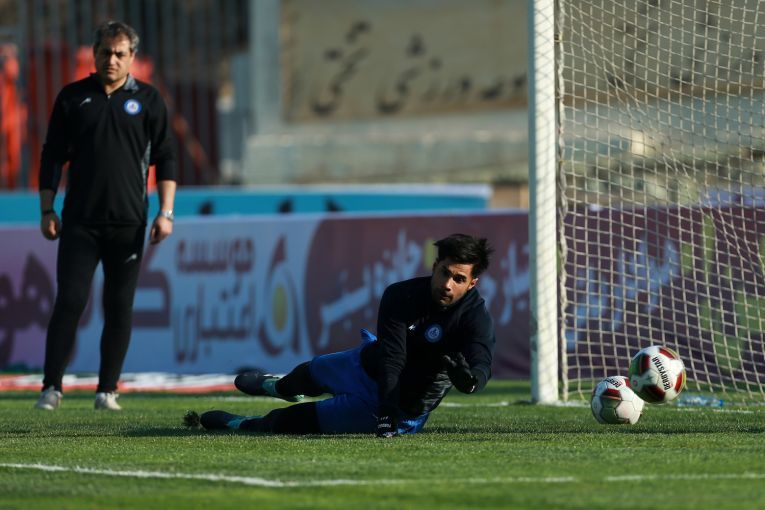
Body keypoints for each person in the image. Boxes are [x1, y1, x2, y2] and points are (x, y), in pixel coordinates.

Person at [188, 233, 495, 437]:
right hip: (364, 366)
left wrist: (470, 382)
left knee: (290, 422)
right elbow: (393, 357)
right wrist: (387, 410)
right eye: (444, 273)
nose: (447, 284)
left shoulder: (475, 318)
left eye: (458, 279)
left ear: (472, 283)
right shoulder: (401, 295)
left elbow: (481, 361)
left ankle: (241, 424)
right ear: (435, 265)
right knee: (305, 374)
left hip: (401, 408)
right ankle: (277, 386)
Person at [35, 21, 176, 411]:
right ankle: (51, 388)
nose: (111, 60)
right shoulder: (72, 97)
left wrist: (165, 213)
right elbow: (51, 157)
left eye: (119, 54)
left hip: (129, 222)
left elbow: (166, 158)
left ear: (132, 57)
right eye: (105, 52)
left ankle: (107, 390)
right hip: (80, 221)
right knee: (71, 300)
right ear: (94, 54)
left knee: (119, 305)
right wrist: (47, 209)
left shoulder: (149, 100)